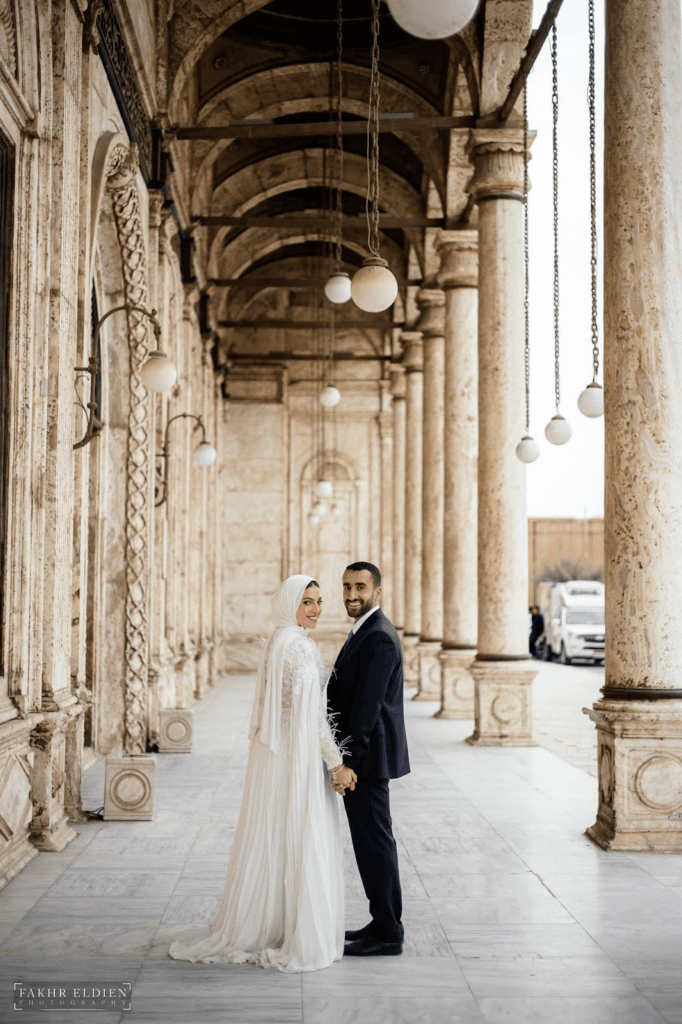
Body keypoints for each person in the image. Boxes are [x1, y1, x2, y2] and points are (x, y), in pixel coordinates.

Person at [168, 575, 347, 973]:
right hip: (297, 755)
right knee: (298, 832)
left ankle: (271, 921)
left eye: (319, 601)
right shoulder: (298, 646)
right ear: (290, 604)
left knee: (280, 834)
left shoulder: (279, 641)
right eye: (308, 602)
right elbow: (314, 718)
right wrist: (335, 761)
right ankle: (294, 930)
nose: (316, 609)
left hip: (280, 753)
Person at [326, 561, 410, 957]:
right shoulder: (366, 630)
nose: (351, 594)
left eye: (360, 587)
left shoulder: (378, 637)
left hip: (368, 761)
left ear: (377, 592)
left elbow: (366, 709)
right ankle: (381, 921)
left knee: (375, 843)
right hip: (366, 758)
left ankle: (388, 932)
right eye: (346, 587)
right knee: (370, 843)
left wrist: (348, 764)